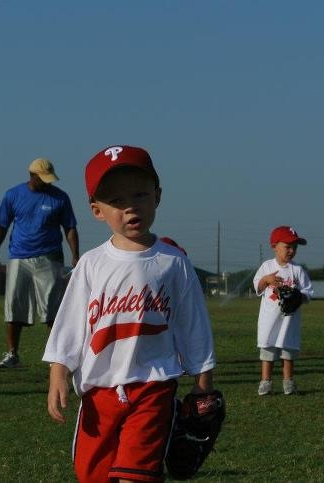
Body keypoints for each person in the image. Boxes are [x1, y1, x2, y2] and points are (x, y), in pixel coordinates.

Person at [43, 145, 216, 482]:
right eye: (116, 200)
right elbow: (70, 324)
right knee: (92, 474)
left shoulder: (173, 262)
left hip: (153, 386)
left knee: (135, 475)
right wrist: (58, 374)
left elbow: (194, 325)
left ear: (157, 196)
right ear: (97, 210)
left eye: (140, 194)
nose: (130, 207)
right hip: (99, 392)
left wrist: (203, 383)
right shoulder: (91, 264)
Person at [0, 158, 79, 369]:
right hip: (18, 257)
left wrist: (75, 255)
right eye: (43, 179)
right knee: (14, 308)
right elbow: (1, 226)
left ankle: (57, 357)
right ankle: (12, 355)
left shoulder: (60, 198)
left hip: (49, 258)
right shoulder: (12, 195)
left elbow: (70, 227)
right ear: (32, 176)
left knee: (53, 310)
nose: (47, 183)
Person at [253, 226, 313, 396]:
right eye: (287, 246)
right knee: (268, 352)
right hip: (269, 322)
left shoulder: (297, 270)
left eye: (295, 247)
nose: (292, 250)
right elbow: (257, 287)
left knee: (288, 352)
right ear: (274, 246)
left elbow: (308, 292)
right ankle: (266, 382)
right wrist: (267, 279)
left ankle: (288, 383)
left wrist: (299, 296)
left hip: (289, 321)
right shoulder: (267, 266)